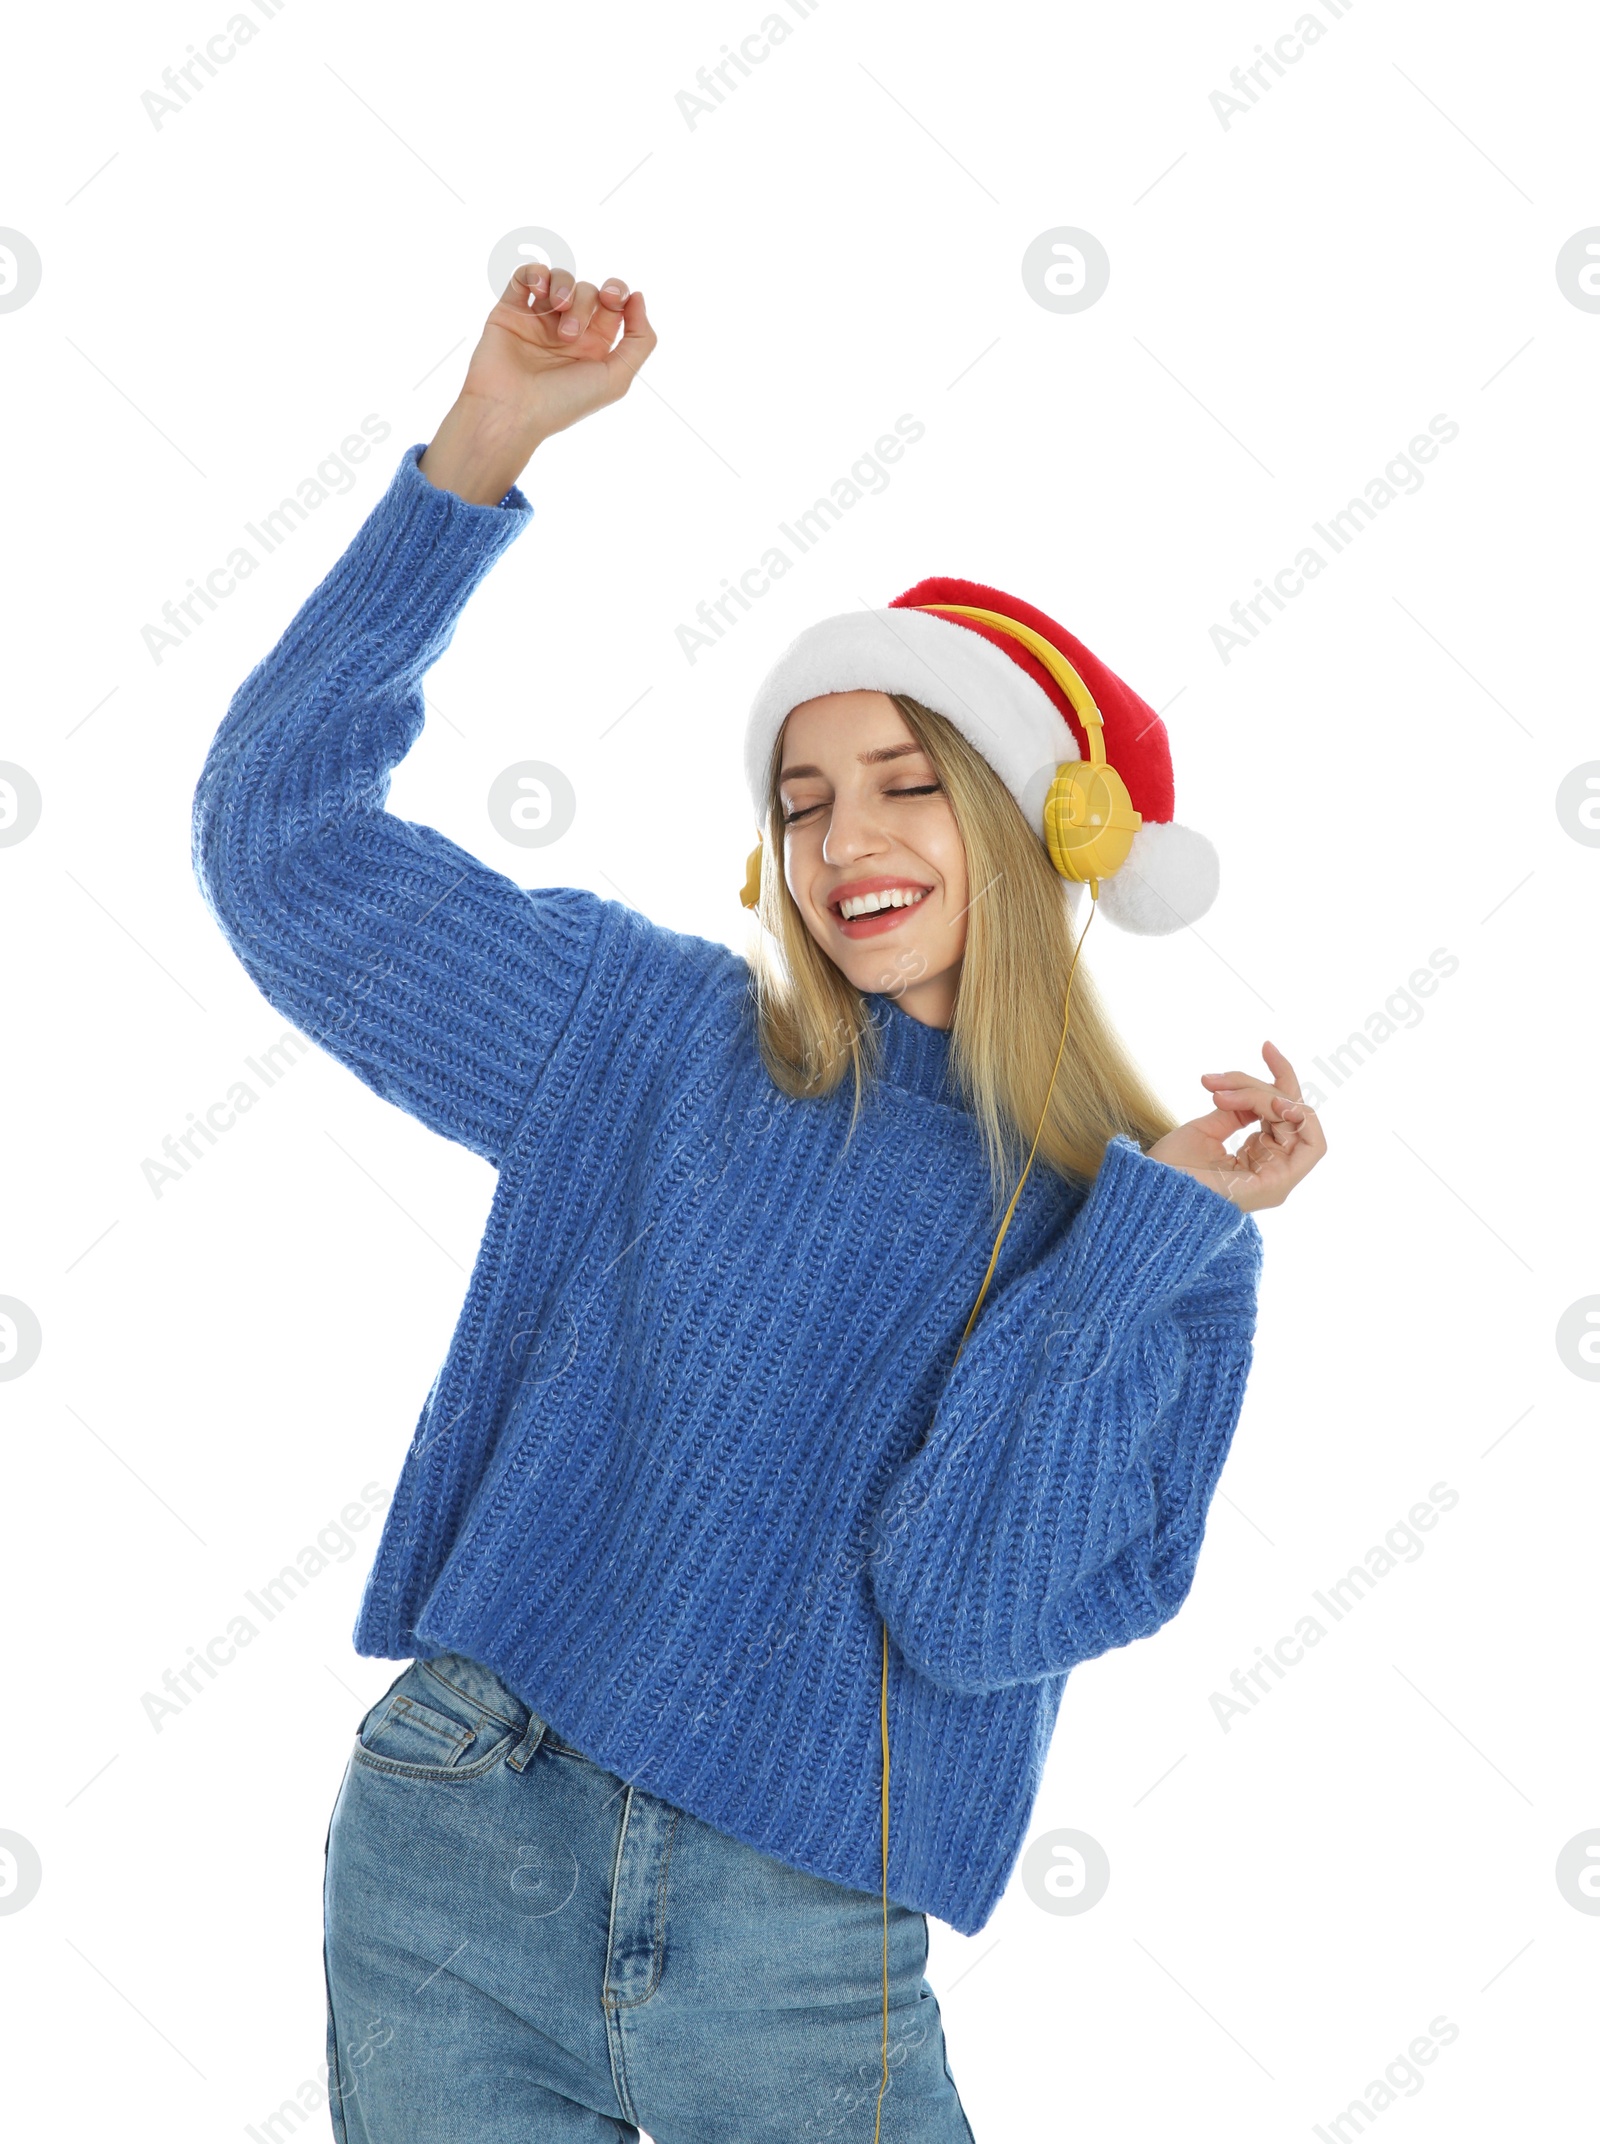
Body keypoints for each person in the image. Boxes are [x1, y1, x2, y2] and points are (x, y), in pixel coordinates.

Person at [191, 261, 1325, 2144]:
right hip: (470, 1836)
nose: (847, 841)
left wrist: (1135, 1249)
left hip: (807, 1943)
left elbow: (964, 1608)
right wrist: (480, 453)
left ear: (1044, 827)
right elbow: (280, 843)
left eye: (909, 783)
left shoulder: (1146, 1256)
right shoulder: (648, 1036)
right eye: (805, 799)